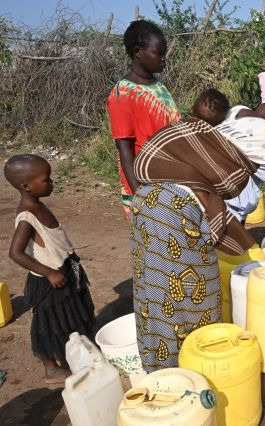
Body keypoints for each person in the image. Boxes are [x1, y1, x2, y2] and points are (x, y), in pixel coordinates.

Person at [130, 79, 265, 371]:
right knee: (192, 295)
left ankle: (159, 368)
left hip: (149, 199)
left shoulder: (237, 114)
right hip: (176, 211)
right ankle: (186, 376)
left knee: (155, 288)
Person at [5, 155, 95, 384]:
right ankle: (51, 368)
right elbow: (15, 253)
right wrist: (48, 273)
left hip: (63, 270)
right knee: (50, 324)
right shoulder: (26, 216)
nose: (52, 182)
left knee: (70, 317)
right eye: (46, 179)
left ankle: (72, 357)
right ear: (26, 186)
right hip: (49, 281)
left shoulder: (37, 204)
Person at [106, 20, 181, 219]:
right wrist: (142, 197)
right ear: (138, 52)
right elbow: (125, 149)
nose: (165, 59)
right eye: (159, 53)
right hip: (147, 185)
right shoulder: (122, 95)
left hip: (171, 179)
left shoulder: (156, 85)